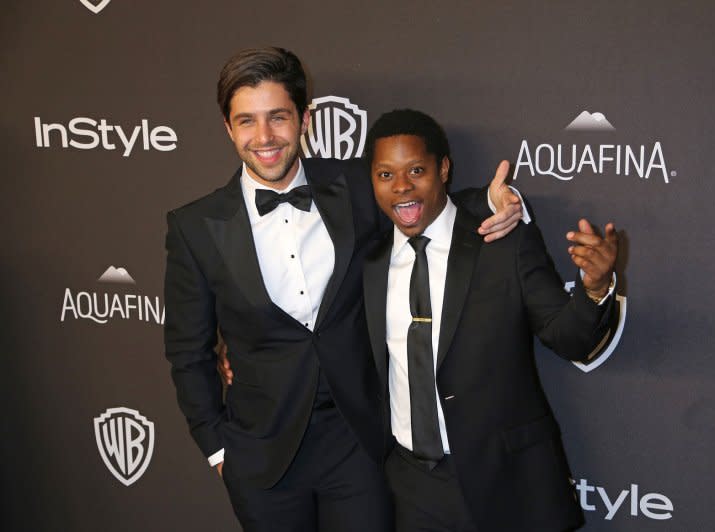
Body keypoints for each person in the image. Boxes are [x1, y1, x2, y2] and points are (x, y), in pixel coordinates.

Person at [164, 48, 524, 532]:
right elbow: (188, 352)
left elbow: (420, 201)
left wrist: (493, 201)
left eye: (278, 117)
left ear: (304, 118)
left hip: (356, 446)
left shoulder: (354, 184)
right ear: (228, 129)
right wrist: (218, 450)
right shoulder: (196, 227)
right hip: (261, 459)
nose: (264, 137)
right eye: (246, 121)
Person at [360, 109, 618, 532]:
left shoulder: (502, 241)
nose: (401, 187)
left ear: (444, 169)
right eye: (385, 175)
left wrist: (595, 286)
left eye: (417, 170)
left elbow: (567, 338)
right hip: (411, 485)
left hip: (508, 478)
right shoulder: (369, 262)